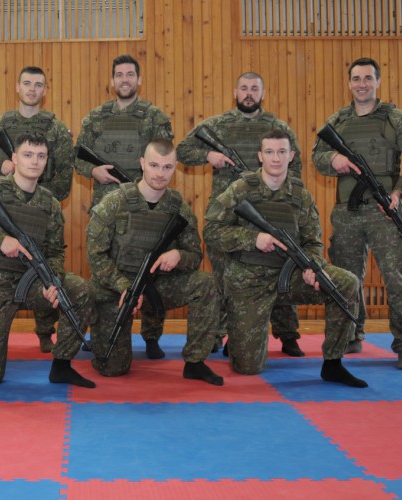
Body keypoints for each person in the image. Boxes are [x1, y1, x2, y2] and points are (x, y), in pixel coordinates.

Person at [204, 129, 367, 388]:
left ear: (291, 156)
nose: (276, 158)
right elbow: (211, 230)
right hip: (249, 282)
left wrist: (312, 266)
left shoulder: (300, 195)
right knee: (248, 368)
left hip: (291, 276)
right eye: (269, 152)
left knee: (346, 283)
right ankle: (240, 334)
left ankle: (333, 364)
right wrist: (253, 238)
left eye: (282, 152)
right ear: (260, 156)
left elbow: (313, 242)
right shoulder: (241, 189)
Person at [0, 132, 95, 388]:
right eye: (28, 155)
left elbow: (55, 252)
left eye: (41, 156)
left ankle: (61, 366)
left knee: (79, 290)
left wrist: (53, 281)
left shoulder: (49, 204)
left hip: (32, 282)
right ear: (14, 158)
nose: (34, 161)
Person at [177, 71, 305, 357]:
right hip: (229, 214)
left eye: (254, 89)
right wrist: (208, 156)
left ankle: (287, 334)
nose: (249, 94)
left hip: (270, 213)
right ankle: (220, 333)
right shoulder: (219, 124)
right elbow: (183, 150)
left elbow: (296, 168)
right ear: (235, 93)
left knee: (281, 270)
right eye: (244, 88)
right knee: (223, 277)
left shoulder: (277, 127)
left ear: (263, 93)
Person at [311, 57, 402, 370]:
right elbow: (317, 155)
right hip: (346, 212)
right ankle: (351, 335)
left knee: (397, 278)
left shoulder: (396, 119)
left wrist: (399, 193)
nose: (362, 84)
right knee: (346, 278)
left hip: (385, 210)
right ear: (349, 83)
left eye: (368, 78)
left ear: (377, 82)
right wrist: (332, 160)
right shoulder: (338, 120)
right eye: (356, 79)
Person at [86, 139, 223, 386]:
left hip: (157, 286)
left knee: (206, 283)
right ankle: (100, 340)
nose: (160, 173)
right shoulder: (114, 203)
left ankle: (195, 362)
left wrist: (179, 255)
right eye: (154, 165)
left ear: (175, 167)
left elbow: (195, 256)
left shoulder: (178, 208)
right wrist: (123, 286)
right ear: (142, 164)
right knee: (113, 368)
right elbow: (96, 257)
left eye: (167, 167)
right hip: (115, 288)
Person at [74, 53, 174, 357]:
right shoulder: (95, 118)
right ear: (112, 80)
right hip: (106, 205)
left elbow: (165, 157)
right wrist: (93, 171)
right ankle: (100, 332)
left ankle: (152, 336)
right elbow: (77, 157)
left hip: (145, 206)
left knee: (149, 268)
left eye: (130, 74)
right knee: (103, 268)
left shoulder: (154, 117)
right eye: (119, 75)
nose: (125, 79)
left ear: (139, 80)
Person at [0, 66, 75, 353]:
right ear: (17, 87)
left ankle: (45, 330)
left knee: (44, 268)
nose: (32, 89)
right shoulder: (0, 124)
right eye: (27, 83)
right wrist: (4, 165)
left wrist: (43, 199)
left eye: (38, 84)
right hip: (3, 213)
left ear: (45, 90)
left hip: (40, 213)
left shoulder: (56, 128)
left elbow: (64, 177)